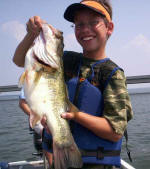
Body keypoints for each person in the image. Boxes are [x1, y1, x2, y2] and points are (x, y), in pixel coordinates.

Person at [13, 0, 133, 168]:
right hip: (59, 159)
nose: (85, 29)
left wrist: (75, 115)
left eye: (94, 22)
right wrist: (31, 35)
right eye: (79, 24)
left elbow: (115, 132)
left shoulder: (113, 74)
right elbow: (19, 60)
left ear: (109, 28)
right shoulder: (66, 60)